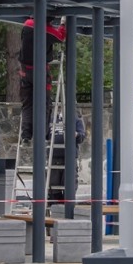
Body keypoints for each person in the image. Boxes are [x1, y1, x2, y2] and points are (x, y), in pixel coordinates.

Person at [18, 16, 66, 145]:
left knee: (27, 104)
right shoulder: (44, 29)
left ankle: (26, 135)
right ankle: (42, 134)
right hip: (39, 70)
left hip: (24, 70)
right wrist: (63, 24)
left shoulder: (27, 24)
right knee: (44, 103)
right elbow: (60, 37)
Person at [47, 115, 86, 205]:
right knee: (52, 186)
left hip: (69, 157)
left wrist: (76, 134)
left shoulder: (76, 120)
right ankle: (56, 208)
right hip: (54, 157)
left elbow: (82, 137)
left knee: (70, 184)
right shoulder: (52, 120)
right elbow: (46, 134)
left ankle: (67, 208)